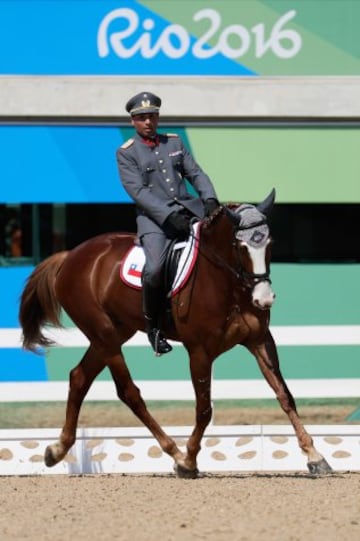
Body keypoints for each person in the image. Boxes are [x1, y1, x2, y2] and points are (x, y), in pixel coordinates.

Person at [116, 91, 219, 356]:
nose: (147, 122)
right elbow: (137, 191)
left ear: (158, 117)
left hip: (189, 211)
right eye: (141, 118)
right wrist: (166, 215)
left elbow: (195, 173)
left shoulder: (174, 142)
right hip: (154, 221)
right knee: (154, 268)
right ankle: (155, 328)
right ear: (133, 122)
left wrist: (209, 198)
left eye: (151, 116)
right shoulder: (126, 153)